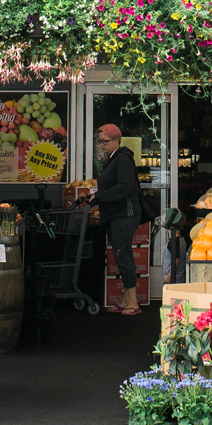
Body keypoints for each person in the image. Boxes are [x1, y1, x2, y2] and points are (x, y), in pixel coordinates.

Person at [91, 123, 145, 315]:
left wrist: (100, 197)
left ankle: (133, 302)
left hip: (124, 215)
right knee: (121, 255)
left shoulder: (122, 159)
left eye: (105, 142)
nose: (102, 145)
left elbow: (125, 187)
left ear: (116, 140)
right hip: (116, 215)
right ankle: (125, 299)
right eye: (100, 142)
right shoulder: (112, 159)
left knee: (123, 255)